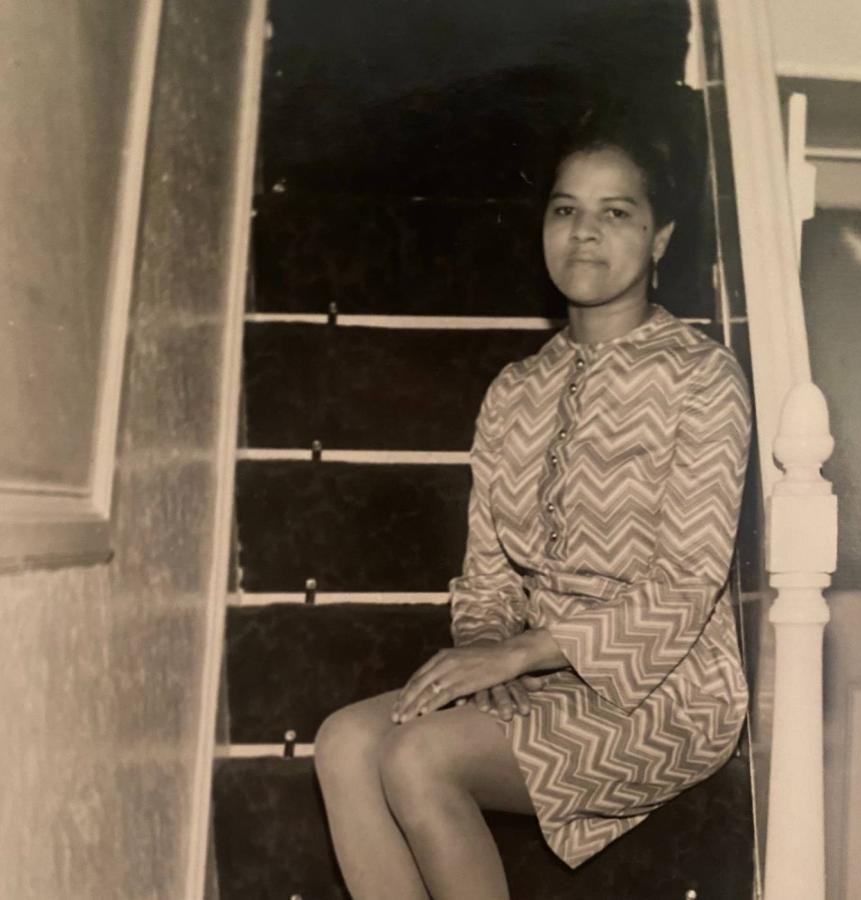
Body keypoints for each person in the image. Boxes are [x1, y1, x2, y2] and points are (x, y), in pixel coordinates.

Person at [314, 108, 752, 900]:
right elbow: (486, 577)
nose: (584, 233)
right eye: (565, 209)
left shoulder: (703, 380)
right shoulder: (513, 389)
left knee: (420, 758)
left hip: (671, 688)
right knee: (344, 742)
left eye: (615, 212)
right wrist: (484, 650)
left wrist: (518, 653)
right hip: (543, 672)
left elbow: (687, 585)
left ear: (659, 240)